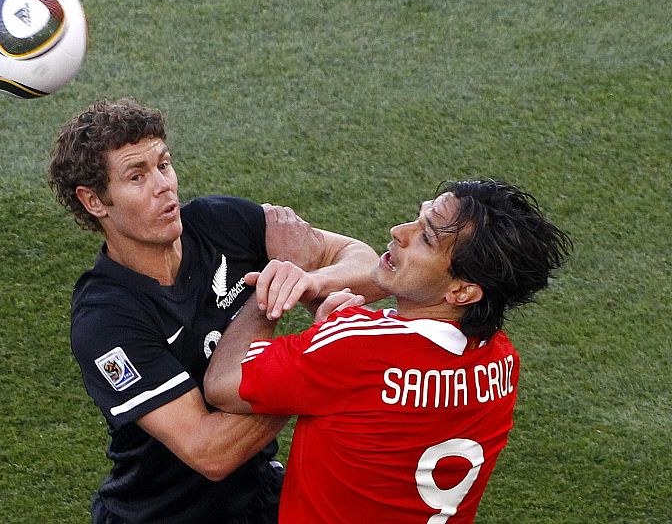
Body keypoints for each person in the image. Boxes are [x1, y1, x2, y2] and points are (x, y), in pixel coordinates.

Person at [47, 97, 383, 524]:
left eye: (163, 165)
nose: (163, 185)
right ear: (94, 201)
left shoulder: (218, 222)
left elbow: (370, 268)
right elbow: (210, 451)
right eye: (137, 176)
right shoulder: (107, 319)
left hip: (261, 497)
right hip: (164, 516)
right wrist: (312, 366)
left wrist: (311, 279)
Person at [205, 179, 573, 524]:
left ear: (462, 292)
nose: (400, 231)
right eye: (418, 217)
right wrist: (330, 309)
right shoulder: (502, 360)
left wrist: (272, 288)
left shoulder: (357, 346)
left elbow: (222, 384)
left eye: (426, 238)